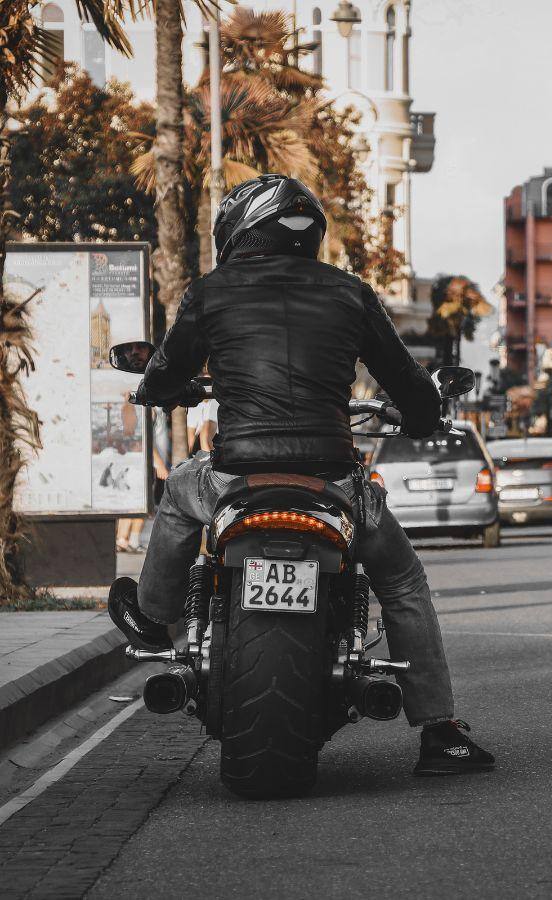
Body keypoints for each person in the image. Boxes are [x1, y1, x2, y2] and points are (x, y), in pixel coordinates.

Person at [106, 174, 493, 776]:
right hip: (332, 482)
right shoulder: (350, 292)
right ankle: (440, 731)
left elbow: (158, 378)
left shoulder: (211, 293)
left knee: (180, 494)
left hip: (235, 479)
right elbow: (409, 387)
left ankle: (155, 619)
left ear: (239, 230)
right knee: (402, 584)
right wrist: (421, 413)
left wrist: (174, 387)